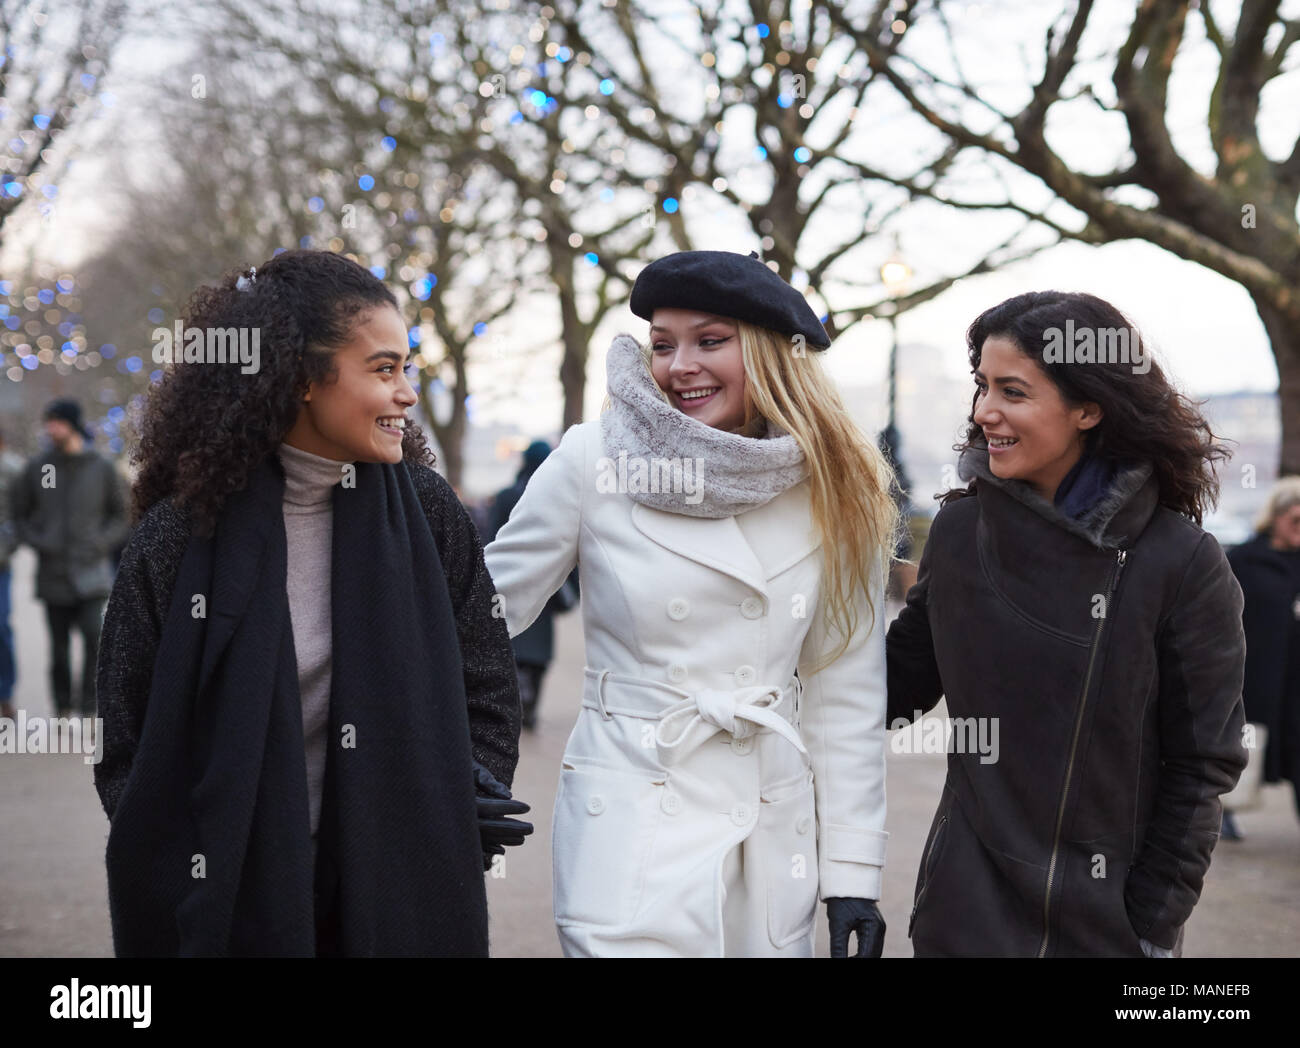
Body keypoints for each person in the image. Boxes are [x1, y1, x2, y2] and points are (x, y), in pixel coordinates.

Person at [93, 250, 529, 957]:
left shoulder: (431, 514)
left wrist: (456, 799)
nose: (407, 394)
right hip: (230, 903)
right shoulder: (178, 535)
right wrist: (193, 854)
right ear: (300, 378)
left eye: (406, 369)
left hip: (401, 890)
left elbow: (487, 680)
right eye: (384, 369)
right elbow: (127, 732)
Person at [485, 249, 898, 957]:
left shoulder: (839, 486)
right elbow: (480, 620)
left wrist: (852, 873)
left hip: (770, 839)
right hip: (631, 823)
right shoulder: (594, 460)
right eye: (663, 345)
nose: (681, 367)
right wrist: (456, 753)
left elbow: (843, 695)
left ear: (774, 356)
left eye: (711, 341)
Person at [886, 290, 1248, 958]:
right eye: (982, 386)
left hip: (1107, 933)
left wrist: (1150, 925)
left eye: (1013, 391)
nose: (984, 412)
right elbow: (891, 688)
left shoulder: (1182, 562)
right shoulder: (962, 533)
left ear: (1089, 407)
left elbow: (1202, 765)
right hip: (961, 919)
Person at [12, 399, 127, 720]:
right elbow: (20, 515)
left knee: (95, 639)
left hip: (91, 572)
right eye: (48, 422)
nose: (51, 428)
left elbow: (122, 514)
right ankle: (63, 707)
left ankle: (89, 706)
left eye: (57, 422)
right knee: (58, 650)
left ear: (72, 424)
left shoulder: (101, 467)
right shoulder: (39, 467)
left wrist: (100, 542)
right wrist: (39, 540)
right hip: (53, 573)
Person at [489, 440, 579, 729]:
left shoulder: (505, 496)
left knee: (512, 651)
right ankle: (531, 709)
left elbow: (491, 539)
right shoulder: (559, 494)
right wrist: (572, 589)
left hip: (508, 587)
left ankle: (512, 708)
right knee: (538, 657)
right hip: (547, 594)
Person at [1226, 476, 1300, 829]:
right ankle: (1224, 810)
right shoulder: (1244, 559)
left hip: (1295, 679)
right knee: (1246, 746)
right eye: (1297, 519)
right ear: (1277, 516)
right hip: (1255, 674)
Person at [0, 428, 25, 721]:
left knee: (1, 626)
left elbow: (25, 511)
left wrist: (9, 544)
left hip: (0, 564)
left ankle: (4, 694)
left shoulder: (13, 469)